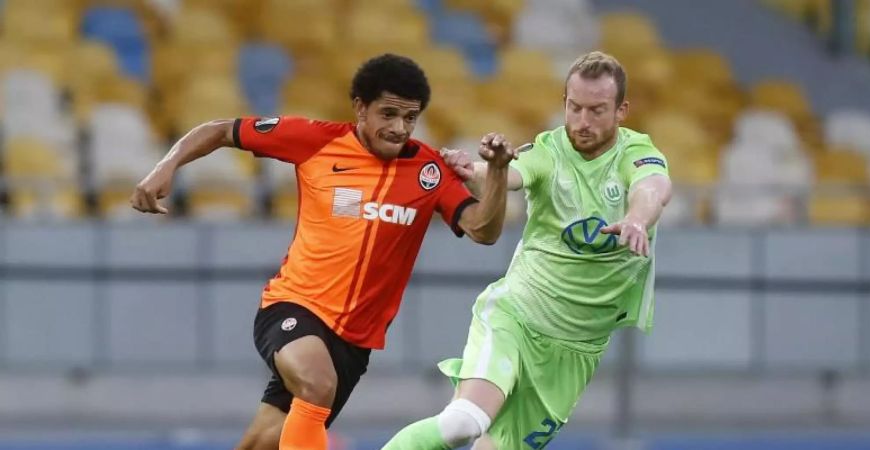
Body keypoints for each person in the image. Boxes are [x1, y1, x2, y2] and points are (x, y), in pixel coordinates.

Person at [130, 53, 521, 450]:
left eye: (410, 118)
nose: (398, 128)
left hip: (354, 341)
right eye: (387, 114)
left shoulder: (429, 171)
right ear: (360, 108)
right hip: (294, 306)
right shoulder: (317, 141)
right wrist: (166, 166)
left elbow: (483, 231)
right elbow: (219, 131)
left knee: (264, 441)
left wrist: (499, 173)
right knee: (318, 385)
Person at [382, 51, 673, 449]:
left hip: (576, 351)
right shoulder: (549, 151)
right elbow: (514, 173)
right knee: (463, 424)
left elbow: (652, 187)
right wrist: (481, 170)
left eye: (597, 110)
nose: (582, 122)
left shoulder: (635, 152)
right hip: (516, 319)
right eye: (574, 108)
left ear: (621, 110)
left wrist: (638, 218)